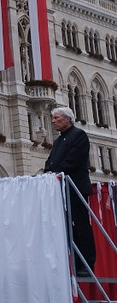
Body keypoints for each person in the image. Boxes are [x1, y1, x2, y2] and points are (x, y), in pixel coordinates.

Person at [44, 106, 96, 274]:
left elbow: (75, 160)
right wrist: (47, 172)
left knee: (81, 226)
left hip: (75, 188)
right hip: (60, 189)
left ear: (67, 119)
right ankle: (76, 261)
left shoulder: (79, 135)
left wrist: (56, 172)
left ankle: (88, 264)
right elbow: (51, 160)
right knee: (67, 228)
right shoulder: (59, 140)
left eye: (56, 118)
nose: (53, 121)